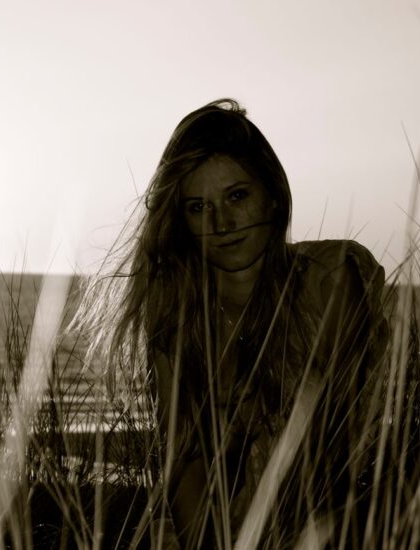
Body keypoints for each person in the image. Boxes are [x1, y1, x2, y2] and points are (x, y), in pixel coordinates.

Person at [70, 99, 389, 548]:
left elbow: (332, 442)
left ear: (272, 194)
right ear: (180, 221)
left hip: (330, 524)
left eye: (237, 196)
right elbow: (183, 465)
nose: (222, 223)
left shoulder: (332, 280)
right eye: (198, 207)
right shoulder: (176, 318)